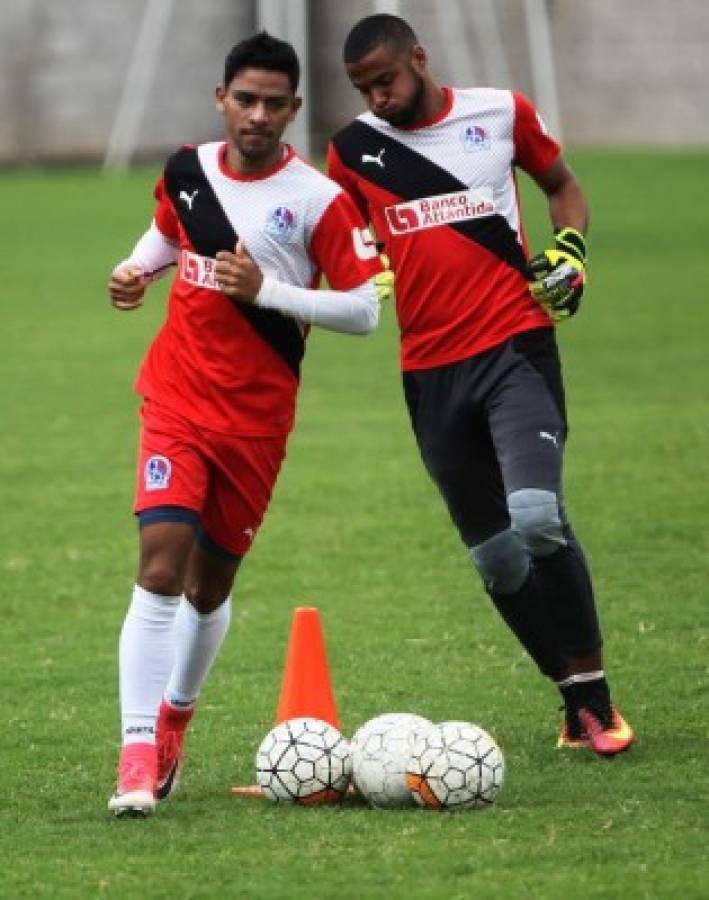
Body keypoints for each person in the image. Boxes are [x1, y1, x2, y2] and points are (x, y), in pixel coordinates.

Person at [327, 14, 634, 756]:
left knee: (535, 515)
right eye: (363, 89)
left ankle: (596, 702)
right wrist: (362, 268)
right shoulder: (352, 151)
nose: (377, 98)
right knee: (495, 557)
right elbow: (344, 240)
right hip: (428, 374)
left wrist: (570, 253)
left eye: (386, 81)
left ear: (420, 60)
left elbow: (561, 186)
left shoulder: (499, 112)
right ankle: (572, 700)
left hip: (515, 349)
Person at [107, 32, 389, 817]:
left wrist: (268, 291)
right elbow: (169, 232)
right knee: (160, 568)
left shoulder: (320, 200)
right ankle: (135, 752)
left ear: (294, 110)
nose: (257, 115)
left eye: (273, 103)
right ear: (220, 99)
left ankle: (175, 716)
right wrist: (137, 269)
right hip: (175, 399)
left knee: (208, 587)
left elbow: (364, 309)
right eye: (245, 99)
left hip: (256, 424)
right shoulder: (186, 170)